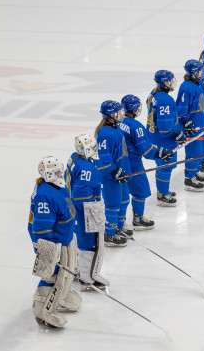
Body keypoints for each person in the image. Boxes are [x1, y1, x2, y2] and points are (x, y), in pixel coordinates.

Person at [28, 155, 81, 328]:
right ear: (49, 174)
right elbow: (42, 227)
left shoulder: (56, 186)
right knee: (51, 274)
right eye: (58, 171)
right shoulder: (44, 194)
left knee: (67, 271)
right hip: (52, 242)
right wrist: (49, 249)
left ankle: (61, 295)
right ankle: (42, 311)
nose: (61, 173)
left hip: (64, 237)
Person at [119, 94, 174, 220]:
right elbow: (146, 149)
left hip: (120, 163)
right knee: (140, 191)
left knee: (121, 195)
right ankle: (138, 218)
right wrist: (160, 153)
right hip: (133, 164)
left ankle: (118, 225)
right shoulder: (135, 126)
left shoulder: (118, 123)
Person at [66, 134, 109, 291]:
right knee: (88, 243)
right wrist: (95, 214)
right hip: (85, 211)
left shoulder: (75, 158)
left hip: (74, 209)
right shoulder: (88, 169)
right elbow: (83, 196)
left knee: (78, 240)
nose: (96, 149)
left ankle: (77, 270)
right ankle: (86, 280)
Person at [146, 70, 190, 200]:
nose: (172, 83)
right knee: (165, 167)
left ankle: (162, 190)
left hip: (155, 137)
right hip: (163, 140)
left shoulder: (153, 94)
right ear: (165, 83)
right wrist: (177, 134)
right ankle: (162, 194)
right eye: (170, 81)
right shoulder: (165, 100)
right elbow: (165, 128)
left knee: (163, 166)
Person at [94, 100, 132, 247]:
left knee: (124, 200)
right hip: (111, 177)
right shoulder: (104, 133)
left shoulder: (116, 128)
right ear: (110, 115)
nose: (121, 114)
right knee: (113, 204)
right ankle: (110, 234)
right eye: (118, 113)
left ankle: (118, 227)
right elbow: (103, 158)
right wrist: (114, 170)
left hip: (121, 173)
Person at [177, 59, 204, 191]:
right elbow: (181, 108)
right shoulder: (186, 87)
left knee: (200, 150)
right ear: (192, 72)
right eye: (199, 70)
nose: (202, 72)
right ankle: (189, 179)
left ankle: (196, 171)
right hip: (192, 126)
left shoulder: (199, 83)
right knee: (193, 152)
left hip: (201, 123)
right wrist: (186, 121)